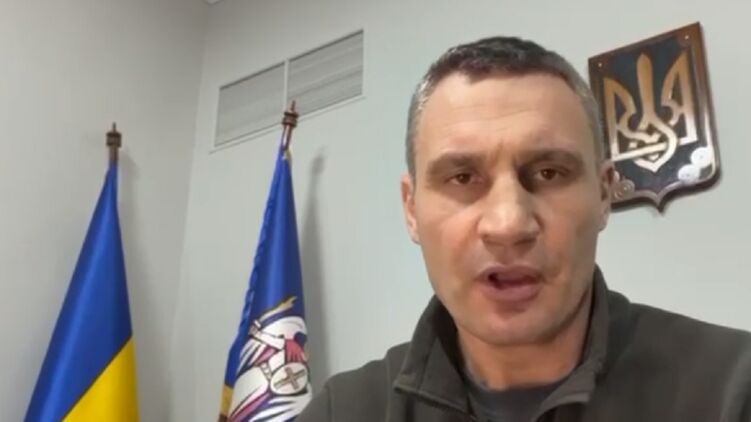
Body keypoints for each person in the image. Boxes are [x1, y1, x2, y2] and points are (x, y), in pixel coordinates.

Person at [297, 36, 751, 422]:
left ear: (603, 195)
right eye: (462, 177)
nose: (508, 224)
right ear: (411, 209)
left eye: (550, 172)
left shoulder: (731, 389)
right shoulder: (344, 411)